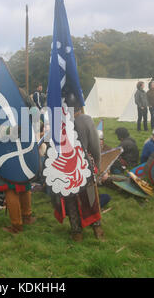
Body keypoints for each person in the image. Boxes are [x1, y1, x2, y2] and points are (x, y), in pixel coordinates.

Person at [0, 58, 36, 234]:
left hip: (19, 143)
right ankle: (23, 218)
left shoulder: (20, 93)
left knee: (16, 182)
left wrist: (26, 123)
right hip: (1, 145)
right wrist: (6, 129)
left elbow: (34, 110)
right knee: (14, 182)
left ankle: (20, 222)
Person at [50, 94, 107, 242]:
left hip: (67, 169)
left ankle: (77, 233)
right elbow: (95, 146)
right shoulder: (86, 120)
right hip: (84, 166)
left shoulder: (61, 123)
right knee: (90, 199)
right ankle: (97, 229)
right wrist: (98, 166)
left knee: (71, 199)